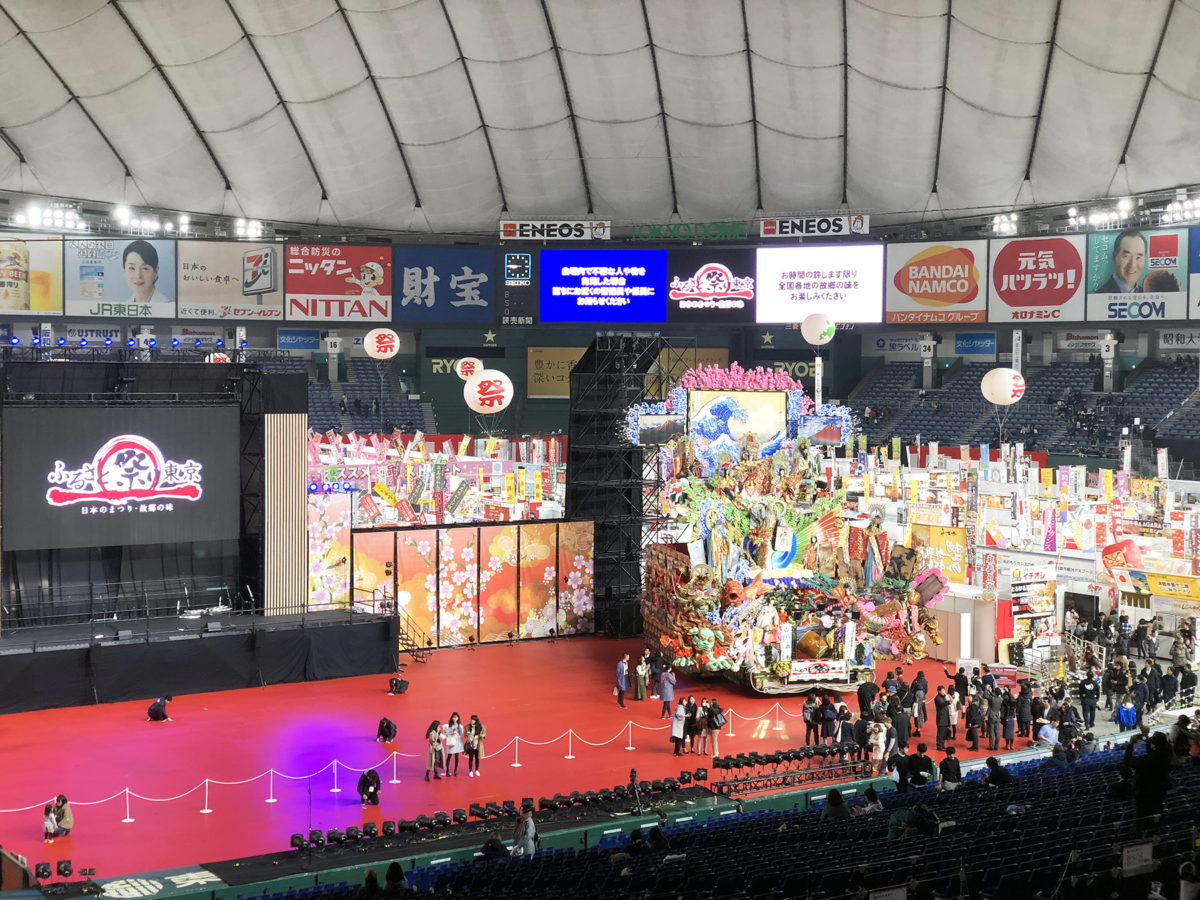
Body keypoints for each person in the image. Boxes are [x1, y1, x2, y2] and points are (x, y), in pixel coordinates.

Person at [1124, 731, 1173, 819]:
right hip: (1159, 793)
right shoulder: (1167, 756)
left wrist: (1131, 744)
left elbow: (1127, 761)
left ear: (1153, 746)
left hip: (1144, 795)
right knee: (1156, 816)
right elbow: (1160, 747)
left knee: (1142, 819)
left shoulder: (1146, 760)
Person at [1097, 229, 1147, 294]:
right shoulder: (1100, 296)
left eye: (1138, 257)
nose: (1132, 265)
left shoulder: (1147, 294)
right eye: (1126, 256)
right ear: (1114, 257)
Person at [123, 240, 171, 306]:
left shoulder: (166, 307)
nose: (138, 275)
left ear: (155, 272)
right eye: (132, 268)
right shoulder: (125, 307)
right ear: (124, 269)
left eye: (145, 268)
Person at [442, 712, 465, 776]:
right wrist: (450, 732)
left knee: (457, 756)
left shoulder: (459, 725)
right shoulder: (448, 725)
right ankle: (447, 771)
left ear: (458, 718)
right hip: (451, 741)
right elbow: (446, 734)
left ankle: (455, 770)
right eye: (454, 717)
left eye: (456, 717)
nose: (455, 718)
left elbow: (461, 734)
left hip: (457, 741)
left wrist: (460, 728)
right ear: (452, 718)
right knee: (449, 756)